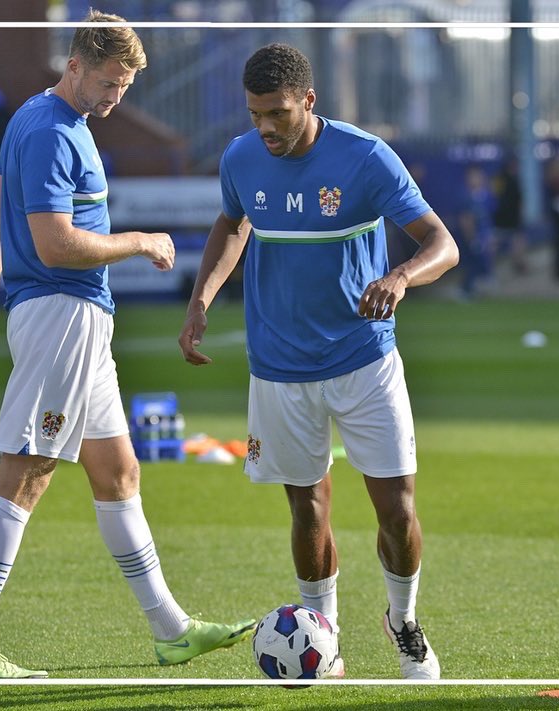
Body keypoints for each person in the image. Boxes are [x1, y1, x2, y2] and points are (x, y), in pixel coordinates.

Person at [0, 11, 254, 679]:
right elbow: (55, 244)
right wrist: (140, 241)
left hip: (73, 320)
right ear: (75, 65)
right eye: (109, 83)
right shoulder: (53, 131)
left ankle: (171, 629)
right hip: (62, 319)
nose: (116, 98)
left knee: (118, 472)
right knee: (27, 473)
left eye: (125, 87)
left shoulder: (34, 117)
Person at [179, 43, 458, 680]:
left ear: (308, 101)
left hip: (364, 360)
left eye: (276, 112)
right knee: (307, 508)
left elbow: (443, 243)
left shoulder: (364, 157)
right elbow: (231, 224)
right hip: (278, 368)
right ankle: (321, 639)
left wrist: (402, 277)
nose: (264, 128)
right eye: (255, 115)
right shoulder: (242, 157)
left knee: (398, 508)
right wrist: (202, 298)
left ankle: (403, 620)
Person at [456, 164, 496, 298]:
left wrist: (490, 236)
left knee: (484, 262)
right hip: (471, 237)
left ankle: (477, 288)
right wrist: (471, 238)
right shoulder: (465, 197)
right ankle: (465, 290)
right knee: (471, 263)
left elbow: (489, 217)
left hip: (484, 235)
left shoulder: (487, 196)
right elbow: (465, 219)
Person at [492, 154, 527, 274]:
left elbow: (495, 196)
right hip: (509, 218)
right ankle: (517, 263)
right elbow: (519, 201)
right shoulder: (512, 180)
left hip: (501, 217)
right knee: (516, 240)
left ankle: (490, 266)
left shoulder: (499, 179)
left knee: (514, 240)